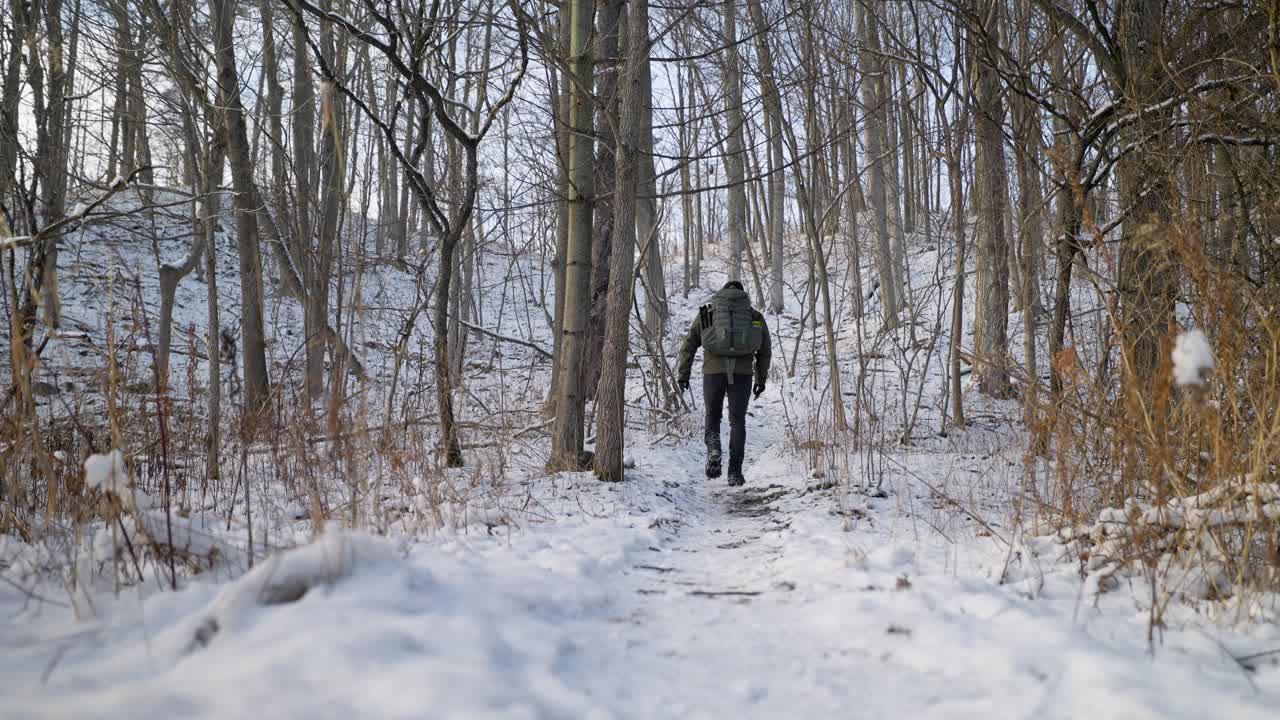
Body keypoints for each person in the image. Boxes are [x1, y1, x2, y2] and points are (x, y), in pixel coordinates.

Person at [677, 281, 771, 486]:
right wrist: (761, 379)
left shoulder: (708, 312)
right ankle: (735, 473)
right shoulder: (753, 315)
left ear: (723, 292)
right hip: (742, 374)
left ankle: (714, 449)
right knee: (737, 421)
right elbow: (765, 351)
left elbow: (690, 343)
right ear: (742, 294)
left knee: (712, 414)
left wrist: (683, 374)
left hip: (713, 372)